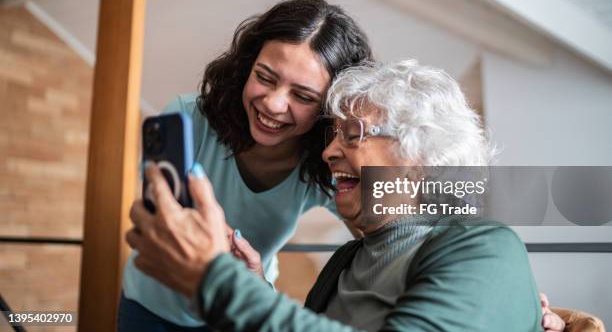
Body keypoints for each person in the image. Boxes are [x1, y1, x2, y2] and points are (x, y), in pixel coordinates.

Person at [127, 59, 566, 331]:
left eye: (352, 134)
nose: (328, 151)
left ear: (420, 151)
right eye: (332, 134)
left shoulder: (487, 246)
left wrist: (215, 282)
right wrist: (249, 284)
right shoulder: (347, 261)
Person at [119, 0, 372, 330]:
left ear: (330, 110)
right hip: (151, 307)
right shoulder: (188, 117)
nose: (273, 104)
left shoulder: (330, 158)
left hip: (238, 310)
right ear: (246, 66)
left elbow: (389, 235)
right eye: (265, 77)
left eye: (303, 96)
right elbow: (155, 221)